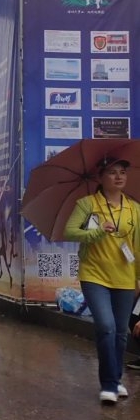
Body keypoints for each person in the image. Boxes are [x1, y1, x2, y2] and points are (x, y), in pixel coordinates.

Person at [63, 157, 140, 404]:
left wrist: (138, 277)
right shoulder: (87, 204)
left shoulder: (134, 208)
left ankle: (116, 380)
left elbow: (137, 247)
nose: (118, 177)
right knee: (106, 326)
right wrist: (97, 231)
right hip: (94, 275)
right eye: (112, 172)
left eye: (122, 172)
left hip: (125, 278)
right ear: (100, 177)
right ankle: (108, 384)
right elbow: (70, 231)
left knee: (120, 332)